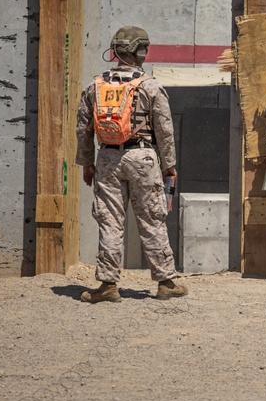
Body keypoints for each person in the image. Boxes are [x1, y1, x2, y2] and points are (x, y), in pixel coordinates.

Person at [75, 26, 187, 303]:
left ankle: (108, 285)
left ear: (115, 51)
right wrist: (169, 165)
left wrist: (88, 163)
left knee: (110, 221)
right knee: (152, 219)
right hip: (142, 157)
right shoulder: (150, 86)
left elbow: (83, 129)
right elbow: (165, 130)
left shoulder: (95, 85)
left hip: (107, 158)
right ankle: (165, 282)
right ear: (140, 51)